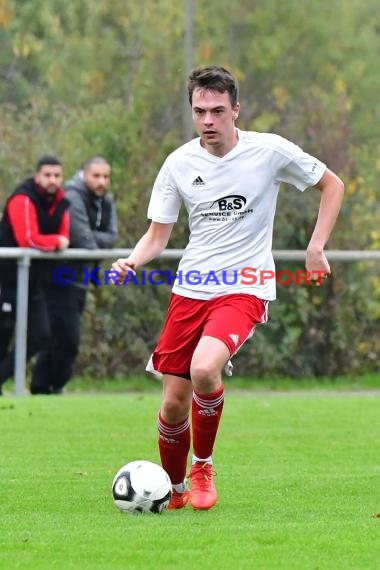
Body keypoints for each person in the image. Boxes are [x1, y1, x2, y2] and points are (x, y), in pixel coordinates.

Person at [111, 66, 345, 510]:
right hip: (191, 287)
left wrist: (316, 247)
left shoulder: (269, 151)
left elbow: (332, 185)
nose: (209, 121)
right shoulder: (179, 163)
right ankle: (173, 492)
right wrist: (132, 260)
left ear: (235, 110)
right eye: (200, 111)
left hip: (246, 285)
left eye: (218, 111)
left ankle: (203, 466)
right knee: (173, 404)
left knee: (204, 368)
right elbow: (157, 236)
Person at [30, 156, 118, 394]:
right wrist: (95, 240)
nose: (101, 182)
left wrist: (95, 240)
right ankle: (51, 385)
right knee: (66, 338)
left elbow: (111, 238)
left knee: (59, 337)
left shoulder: (105, 201)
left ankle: (42, 387)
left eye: (105, 177)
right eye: (96, 176)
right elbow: (81, 237)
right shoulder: (72, 196)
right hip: (59, 276)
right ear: (84, 174)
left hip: (81, 277)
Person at [0, 155, 70, 395]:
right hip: (7, 279)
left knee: (41, 334)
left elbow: (65, 234)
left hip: (33, 281)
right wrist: (56, 241)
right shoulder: (23, 198)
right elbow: (28, 239)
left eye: (57, 175)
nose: (53, 180)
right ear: (37, 176)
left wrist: (58, 241)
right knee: (3, 334)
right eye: (48, 175)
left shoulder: (61, 201)